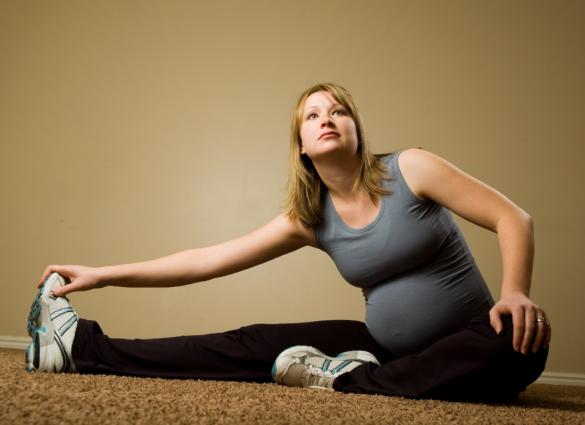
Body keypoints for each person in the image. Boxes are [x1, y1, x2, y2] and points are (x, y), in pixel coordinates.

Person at [26, 82, 550, 402]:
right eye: (313, 116)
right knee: (252, 343)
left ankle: (344, 381)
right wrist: (103, 275)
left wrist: (515, 293)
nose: (328, 120)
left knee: (520, 343)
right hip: (382, 351)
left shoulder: (411, 168)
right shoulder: (310, 218)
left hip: (474, 341)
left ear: (357, 129)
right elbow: (206, 261)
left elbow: (513, 218)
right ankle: (80, 349)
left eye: (338, 111)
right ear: (301, 145)